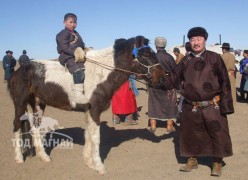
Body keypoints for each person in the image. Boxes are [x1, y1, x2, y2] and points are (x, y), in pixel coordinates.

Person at [175, 27, 233, 177]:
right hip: (190, 105)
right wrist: (157, 80)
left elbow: (224, 82)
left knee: (217, 133)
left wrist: (226, 105)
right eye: (193, 40)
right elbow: (174, 79)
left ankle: (217, 162)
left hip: (212, 104)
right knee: (190, 134)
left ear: (205, 40)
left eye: (199, 39)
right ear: (189, 42)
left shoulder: (215, 58)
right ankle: (192, 160)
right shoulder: (185, 60)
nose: (196, 42)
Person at [148, 37, 178, 133]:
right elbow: (175, 70)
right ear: (165, 45)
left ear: (156, 46)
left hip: (154, 84)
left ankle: (153, 125)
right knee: (170, 104)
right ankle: (169, 126)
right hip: (168, 84)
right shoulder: (169, 57)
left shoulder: (152, 57)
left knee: (154, 104)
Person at [56, 13, 86, 104]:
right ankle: (77, 95)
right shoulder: (62, 34)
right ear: (64, 22)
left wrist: (85, 49)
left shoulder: (76, 33)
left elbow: (81, 44)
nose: (73, 24)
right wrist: (75, 52)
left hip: (78, 56)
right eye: (71, 22)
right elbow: (64, 47)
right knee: (79, 70)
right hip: (67, 56)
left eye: (75, 22)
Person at [220, 43, 237, 108]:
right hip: (232, 75)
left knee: (224, 90)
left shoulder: (222, 56)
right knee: (232, 89)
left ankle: (225, 104)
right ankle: (233, 103)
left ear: (224, 49)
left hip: (224, 75)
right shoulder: (233, 56)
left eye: (222, 49)